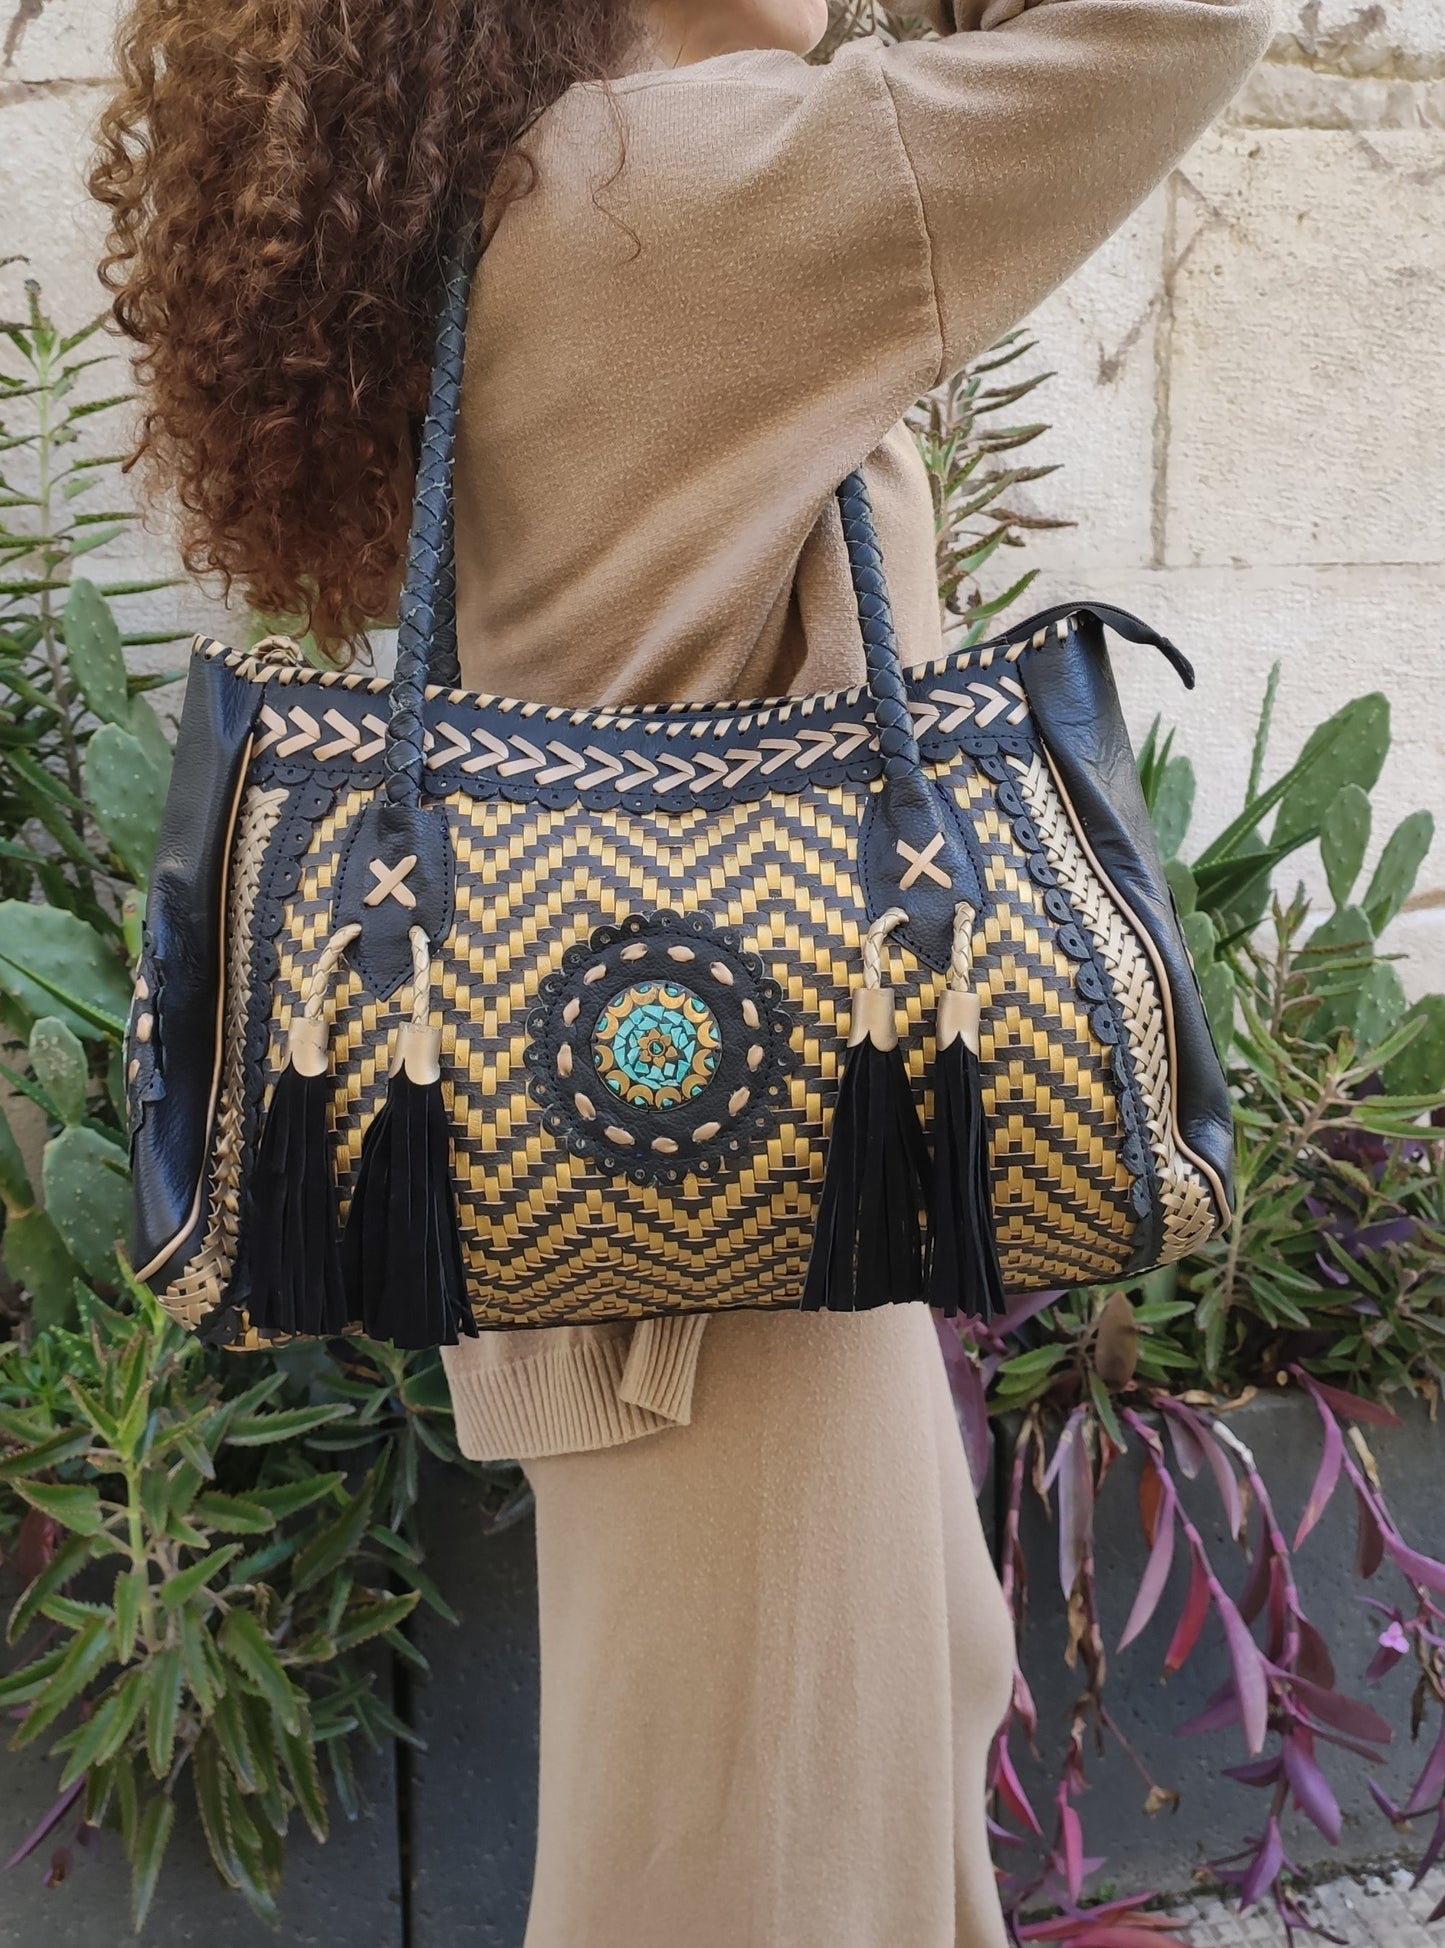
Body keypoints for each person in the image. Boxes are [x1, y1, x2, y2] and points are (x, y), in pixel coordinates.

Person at [92, 0, 1273, 1940]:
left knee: (822, 1829)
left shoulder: (540, 180)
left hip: (660, 1228)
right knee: (770, 1880)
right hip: (733, 1277)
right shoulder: (710, 179)